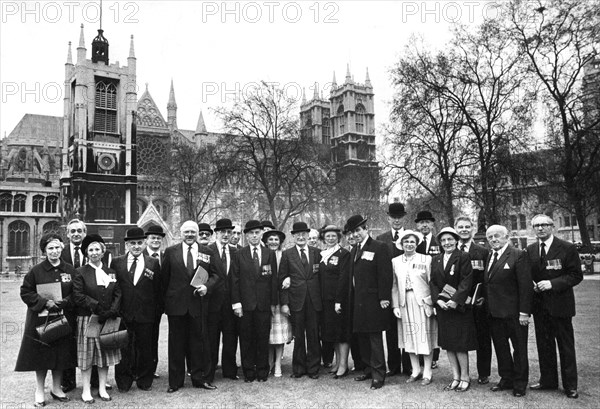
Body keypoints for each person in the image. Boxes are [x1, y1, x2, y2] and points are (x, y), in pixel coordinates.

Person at [15, 233, 77, 407]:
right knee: (41, 355)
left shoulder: (70, 270)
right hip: (41, 319)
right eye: (50, 248)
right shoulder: (36, 271)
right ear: (44, 251)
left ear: (62, 248)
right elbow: (26, 292)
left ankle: (57, 388)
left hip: (63, 318)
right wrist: (44, 302)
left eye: (57, 247)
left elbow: (77, 292)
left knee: (60, 354)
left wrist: (66, 302)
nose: (55, 251)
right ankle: (40, 390)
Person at [527, 214, 582, 399]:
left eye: (544, 225)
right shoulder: (530, 250)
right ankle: (548, 381)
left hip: (561, 306)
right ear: (533, 228)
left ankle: (570, 385)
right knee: (544, 345)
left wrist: (552, 284)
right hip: (540, 307)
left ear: (552, 227)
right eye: (537, 226)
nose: (540, 228)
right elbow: (528, 275)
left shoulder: (567, 248)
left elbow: (576, 275)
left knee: (565, 347)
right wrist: (531, 285)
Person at [162, 220, 220, 393]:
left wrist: (206, 287)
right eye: (186, 232)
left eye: (192, 232)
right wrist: (166, 304)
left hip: (198, 304)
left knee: (198, 343)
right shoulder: (170, 252)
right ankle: (175, 382)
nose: (189, 235)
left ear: (197, 234)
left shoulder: (207, 252)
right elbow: (164, 280)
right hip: (176, 306)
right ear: (181, 233)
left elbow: (217, 275)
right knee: (176, 345)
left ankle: (199, 379)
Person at [484, 225, 533, 397]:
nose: (493, 239)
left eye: (497, 236)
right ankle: (506, 378)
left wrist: (524, 312)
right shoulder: (490, 255)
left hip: (514, 314)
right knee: (501, 348)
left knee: (519, 349)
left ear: (506, 236)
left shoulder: (518, 255)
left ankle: (520, 383)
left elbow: (525, 286)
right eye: (490, 237)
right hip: (494, 313)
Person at [72, 234, 121, 403]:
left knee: (104, 354)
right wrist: (97, 307)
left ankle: (102, 388)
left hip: (107, 319)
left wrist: (112, 310)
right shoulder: (80, 272)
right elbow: (78, 295)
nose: (94, 253)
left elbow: (117, 293)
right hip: (89, 319)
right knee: (87, 355)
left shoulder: (110, 272)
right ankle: (86, 390)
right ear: (86, 253)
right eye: (90, 250)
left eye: (97, 249)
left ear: (102, 251)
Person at [112, 227, 162, 392]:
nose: (136, 246)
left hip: (145, 314)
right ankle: (124, 381)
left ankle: (144, 379)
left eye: (139, 243)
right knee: (124, 349)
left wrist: (155, 313)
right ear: (126, 244)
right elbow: (114, 288)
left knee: (144, 348)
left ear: (144, 243)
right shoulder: (117, 262)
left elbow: (157, 290)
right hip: (124, 314)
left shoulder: (153, 263)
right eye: (132, 243)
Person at [346, 215, 392, 390]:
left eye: (358, 230)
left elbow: (385, 275)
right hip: (358, 302)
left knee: (374, 339)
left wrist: (384, 298)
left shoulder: (379, 247)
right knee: (362, 338)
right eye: (353, 232)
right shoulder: (354, 250)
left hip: (374, 302)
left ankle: (379, 375)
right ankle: (368, 369)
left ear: (366, 229)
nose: (356, 234)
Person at [429, 227, 477, 392]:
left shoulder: (463, 257)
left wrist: (455, 301)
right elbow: (433, 282)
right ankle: (455, 377)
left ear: (456, 240)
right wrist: (438, 301)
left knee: (460, 344)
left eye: (450, 239)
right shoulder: (436, 259)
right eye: (443, 240)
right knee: (449, 344)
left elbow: (466, 281)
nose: (447, 243)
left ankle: (465, 377)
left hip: (458, 308)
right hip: (443, 308)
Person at [231, 220, 278, 382]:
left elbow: (273, 280)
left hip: (264, 305)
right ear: (246, 235)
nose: (254, 236)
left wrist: (273, 303)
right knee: (246, 339)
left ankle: (262, 371)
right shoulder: (239, 254)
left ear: (261, 235)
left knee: (262, 338)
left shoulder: (268, 254)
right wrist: (236, 303)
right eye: (251, 233)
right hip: (245, 305)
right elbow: (235, 280)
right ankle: (249, 371)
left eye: (257, 233)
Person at [391, 230, 437, 386]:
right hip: (405, 302)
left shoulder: (426, 259)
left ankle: (427, 372)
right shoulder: (395, 261)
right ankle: (415, 370)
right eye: (406, 242)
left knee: (424, 336)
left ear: (417, 244)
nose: (409, 244)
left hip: (422, 302)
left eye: (412, 242)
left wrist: (431, 302)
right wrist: (395, 305)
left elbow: (432, 282)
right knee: (409, 337)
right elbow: (394, 285)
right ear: (401, 244)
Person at [279, 222, 323, 379]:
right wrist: (284, 303)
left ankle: (313, 369)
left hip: (314, 300)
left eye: (304, 233)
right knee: (298, 335)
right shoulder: (287, 254)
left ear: (307, 235)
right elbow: (282, 280)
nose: (301, 236)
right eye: (298, 234)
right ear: (293, 236)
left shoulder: (317, 253)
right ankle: (298, 368)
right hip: (296, 300)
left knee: (313, 335)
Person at [455, 215, 491, 385]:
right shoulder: (449, 250)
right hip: (458, 304)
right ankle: (462, 374)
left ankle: (483, 373)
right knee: (460, 339)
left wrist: (482, 296)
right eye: (460, 227)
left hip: (478, 304)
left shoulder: (483, 252)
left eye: (467, 227)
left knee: (482, 338)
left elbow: (487, 278)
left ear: (472, 228)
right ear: (455, 228)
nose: (464, 230)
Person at [206, 218, 241, 382]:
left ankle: (230, 370)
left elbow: (237, 279)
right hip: (212, 304)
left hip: (230, 304)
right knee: (212, 339)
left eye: (229, 232)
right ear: (216, 234)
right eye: (223, 232)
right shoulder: (207, 250)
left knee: (230, 338)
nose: (226, 235)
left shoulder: (236, 252)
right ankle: (210, 371)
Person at [376, 203, 407, 376]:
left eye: (399, 217)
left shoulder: (412, 237)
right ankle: (394, 366)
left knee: (409, 327)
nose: (396, 220)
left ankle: (410, 366)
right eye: (393, 217)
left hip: (409, 291)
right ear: (388, 218)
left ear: (404, 218)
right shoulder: (381, 239)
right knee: (391, 330)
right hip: (389, 291)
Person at [319, 225, 352, 379]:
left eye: (333, 236)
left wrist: (339, 300)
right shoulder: (322, 254)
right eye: (327, 236)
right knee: (333, 333)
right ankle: (337, 363)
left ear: (338, 238)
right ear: (323, 238)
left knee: (342, 333)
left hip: (339, 300)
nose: (330, 238)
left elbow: (344, 279)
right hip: (325, 300)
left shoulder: (344, 254)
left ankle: (344, 364)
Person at [59, 218, 86, 393]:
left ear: (84, 233)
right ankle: (67, 381)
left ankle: (92, 381)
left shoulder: (92, 250)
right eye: (72, 231)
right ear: (67, 234)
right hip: (66, 306)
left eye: (79, 231)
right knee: (67, 343)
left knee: (89, 342)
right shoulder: (60, 254)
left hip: (86, 306)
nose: (76, 234)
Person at [263, 228, 292, 377]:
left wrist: (289, 278)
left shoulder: (285, 255)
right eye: (271, 239)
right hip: (265, 298)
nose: (273, 242)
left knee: (279, 333)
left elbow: (290, 272)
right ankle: (269, 362)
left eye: (276, 239)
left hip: (281, 298)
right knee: (268, 333)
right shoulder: (263, 255)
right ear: (266, 241)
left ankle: (278, 364)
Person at [415, 210, 441, 368]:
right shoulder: (414, 242)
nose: (424, 225)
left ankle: (434, 358)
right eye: (421, 222)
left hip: (435, 287)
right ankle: (419, 355)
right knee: (418, 323)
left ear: (432, 224)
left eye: (427, 222)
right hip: (418, 288)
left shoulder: (439, 242)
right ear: (417, 225)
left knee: (434, 325)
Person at [144, 225, 166, 379]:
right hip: (143, 305)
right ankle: (140, 368)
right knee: (142, 338)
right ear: (147, 240)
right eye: (153, 237)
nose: (156, 240)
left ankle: (152, 368)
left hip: (160, 304)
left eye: (158, 238)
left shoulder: (167, 256)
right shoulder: (140, 255)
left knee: (154, 338)